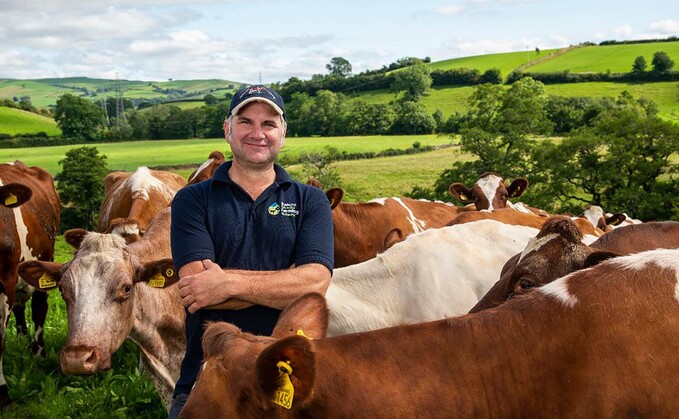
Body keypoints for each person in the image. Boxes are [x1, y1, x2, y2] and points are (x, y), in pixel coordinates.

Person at [168, 84, 334, 418]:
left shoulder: (310, 201)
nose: (257, 133)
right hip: (209, 374)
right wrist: (287, 282)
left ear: (283, 135)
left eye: (269, 124)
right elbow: (199, 289)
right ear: (227, 130)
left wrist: (228, 284)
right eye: (246, 122)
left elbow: (315, 282)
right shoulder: (192, 200)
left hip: (289, 377)